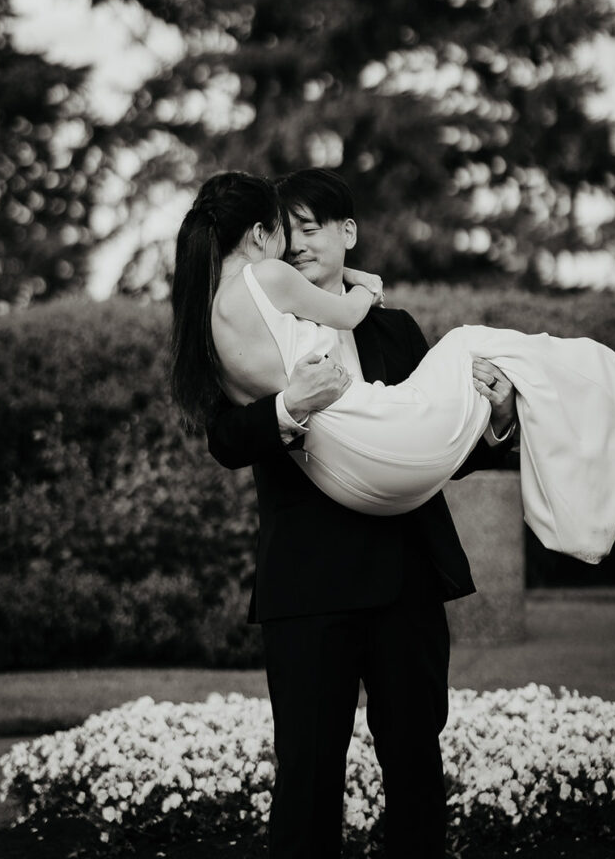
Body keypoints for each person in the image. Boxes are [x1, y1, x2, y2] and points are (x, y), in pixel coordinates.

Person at [172, 168, 518, 859]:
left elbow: (443, 445)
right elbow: (223, 437)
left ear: (345, 235)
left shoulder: (396, 331)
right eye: (285, 228)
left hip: (405, 580)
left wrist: (498, 418)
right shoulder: (259, 325)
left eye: (309, 227)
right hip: (309, 587)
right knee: (305, 779)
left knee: (416, 767)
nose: (296, 244)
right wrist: (285, 408)